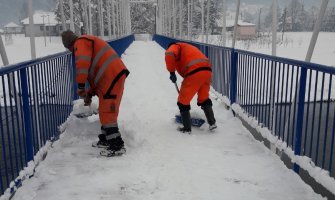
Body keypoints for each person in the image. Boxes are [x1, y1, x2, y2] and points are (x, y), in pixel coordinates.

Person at [61, 30, 129, 156]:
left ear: (69, 45)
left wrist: (80, 87)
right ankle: (107, 140)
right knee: (104, 110)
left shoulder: (80, 43)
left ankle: (117, 145)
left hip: (111, 77)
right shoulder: (85, 42)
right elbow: (93, 73)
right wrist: (90, 93)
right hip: (109, 77)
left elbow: (82, 65)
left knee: (108, 112)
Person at [165, 42, 217, 133]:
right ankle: (212, 123)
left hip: (194, 71)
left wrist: (171, 72)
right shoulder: (187, 48)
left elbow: (169, 54)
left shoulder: (175, 46)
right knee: (204, 98)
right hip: (207, 71)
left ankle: (187, 129)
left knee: (182, 102)